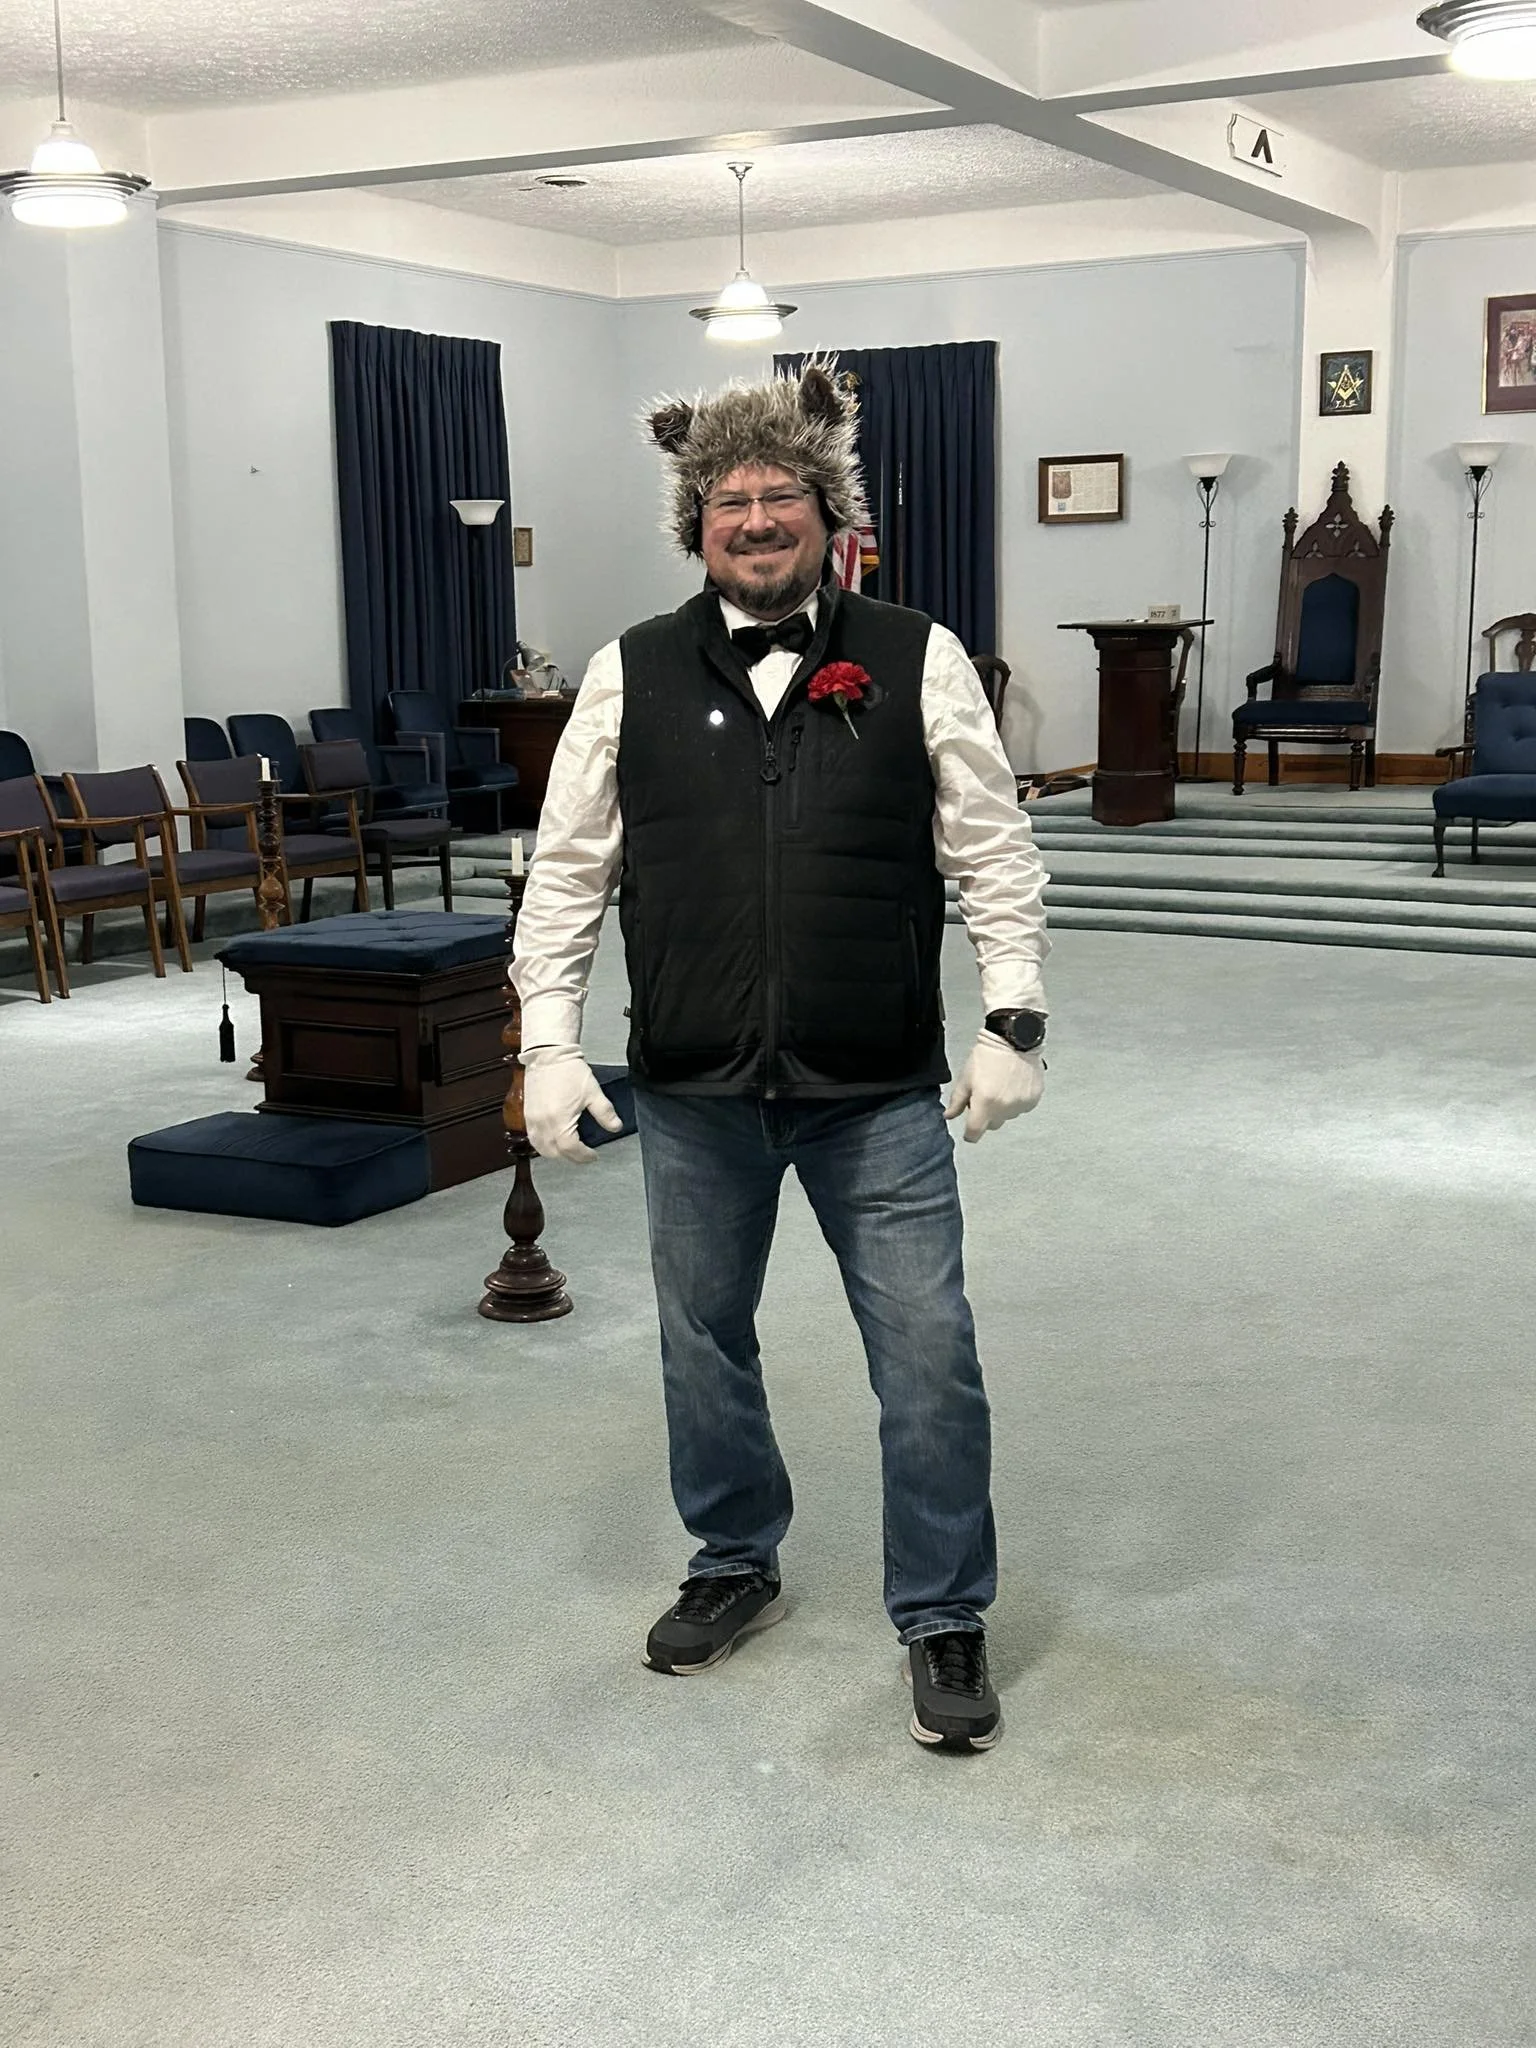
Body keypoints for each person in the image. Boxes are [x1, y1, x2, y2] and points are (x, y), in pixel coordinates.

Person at [510, 362, 1049, 1753]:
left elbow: (993, 848)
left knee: (929, 1353)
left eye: (781, 496)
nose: (756, 518)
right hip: (691, 1090)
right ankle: (734, 1557)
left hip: (874, 1086)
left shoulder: (915, 653)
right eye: (729, 500)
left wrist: (1011, 1015)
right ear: (697, 525)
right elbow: (568, 871)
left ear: (830, 513)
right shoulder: (631, 666)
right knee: (701, 1345)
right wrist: (549, 1044)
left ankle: (941, 1611)